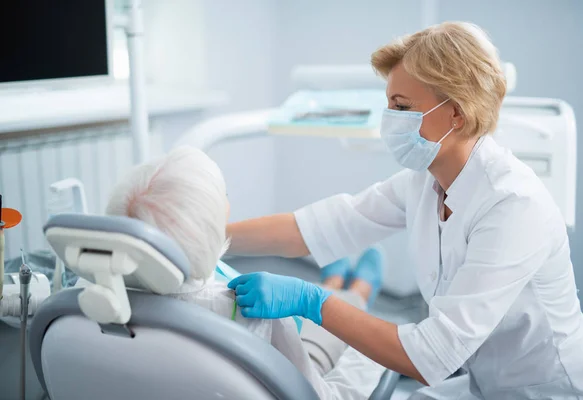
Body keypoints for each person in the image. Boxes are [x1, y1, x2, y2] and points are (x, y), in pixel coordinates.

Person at [226, 21, 583, 399]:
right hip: (486, 383)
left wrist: (313, 301)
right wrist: (212, 235)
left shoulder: (514, 207)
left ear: (457, 113)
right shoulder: (424, 181)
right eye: (389, 103)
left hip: (556, 391)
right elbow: (322, 226)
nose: (389, 119)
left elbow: (431, 355)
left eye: (401, 106)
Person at [104, 145, 386, 400]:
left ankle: (334, 280)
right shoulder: (247, 313)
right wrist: (377, 362)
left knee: (318, 294)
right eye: (222, 197)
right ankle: (358, 290)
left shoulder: (99, 301)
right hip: (290, 365)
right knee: (337, 308)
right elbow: (310, 392)